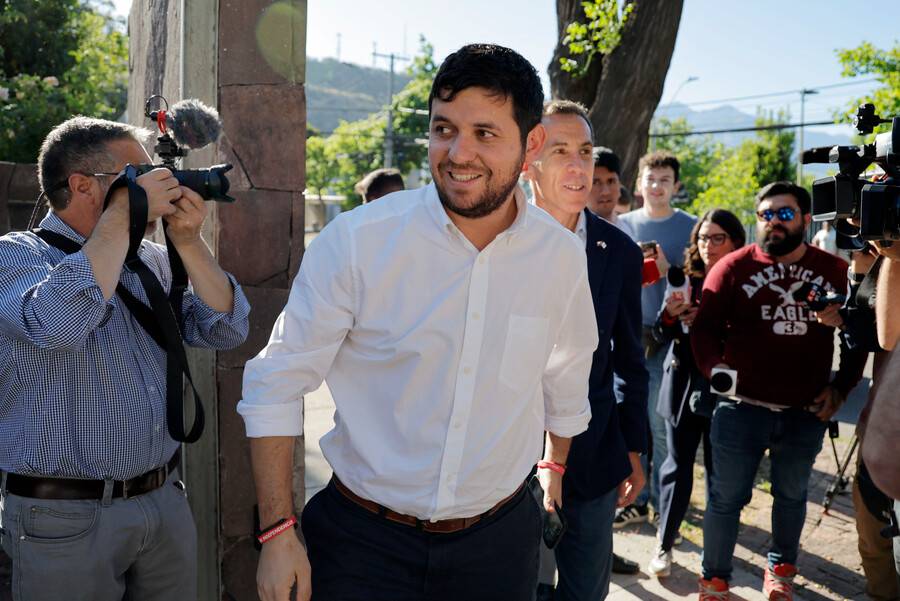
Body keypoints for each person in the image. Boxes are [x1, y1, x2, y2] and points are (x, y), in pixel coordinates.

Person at [239, 44, 599, 601]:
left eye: (484, 133)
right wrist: (278, 532)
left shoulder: (561, 257)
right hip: (362, 546)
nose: (458, 153)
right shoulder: (358, 242)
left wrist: (554, 465)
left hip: (500, 546)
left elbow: (567, 378)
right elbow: (275, 382)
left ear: (531, 145)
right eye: (443, 129)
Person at [0, 117, 250, 600]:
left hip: (162, 501)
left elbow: (226, 328)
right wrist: (121, 214)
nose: (159, 186)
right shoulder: (16, 256)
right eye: (139, 177)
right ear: (82, 186)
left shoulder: (150, 259)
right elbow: (55, 325)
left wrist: (188, 241)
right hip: (64, 517)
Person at [691, 181, 868, 601]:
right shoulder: (731, 267)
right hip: (740, 408)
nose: (773, 222)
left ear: (805, 219)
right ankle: (714, 581)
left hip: (803, 411)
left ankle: (780, 573)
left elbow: (858, 336)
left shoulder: (834, 270)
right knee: (724, 499)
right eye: (765, 215)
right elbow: (704, 329)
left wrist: (841, 388)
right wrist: (714, 369)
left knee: (791, 497)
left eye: (784, 214)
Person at [526, 100, 648, 600]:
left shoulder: (618, 251)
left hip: (593, 454)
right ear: (529, 160)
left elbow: (629, 361)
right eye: (560, 151)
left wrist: (634, 448)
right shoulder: (494, 239)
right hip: (505, 457)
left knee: (585, 591)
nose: (579, 166)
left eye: (585, 151)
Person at [645, 209, 746, 578]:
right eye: (703, 238)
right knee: (677, 466)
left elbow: (752, 335)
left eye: (718, 238)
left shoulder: (744, 280)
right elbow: (660, 334)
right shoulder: (686, 278)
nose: (708, 246)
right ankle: (664, 543)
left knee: (721, 475)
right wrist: (672, 316)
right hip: (683, 383)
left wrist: (705, 318)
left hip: (725, 389)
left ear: (736, 241)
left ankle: (716, 558)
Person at [616, 151, 696, 527]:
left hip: (672, 339)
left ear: (675, 186)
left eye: (664, 180)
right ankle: (639, 499)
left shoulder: (691, 226)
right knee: (636, 423)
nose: (657, 186)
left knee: (662, 424)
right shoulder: (622, 224)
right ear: (639, 184)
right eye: (650, 178)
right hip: (630, 335)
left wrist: (669, 271)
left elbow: (702, 278)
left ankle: (666, 509)